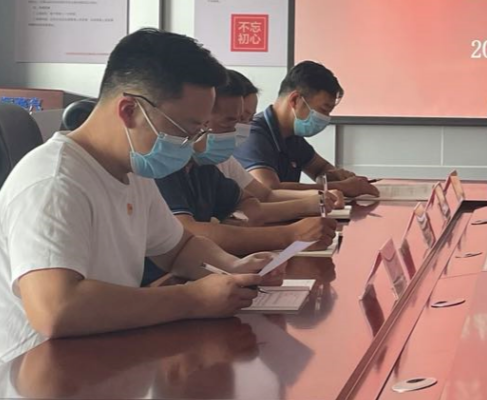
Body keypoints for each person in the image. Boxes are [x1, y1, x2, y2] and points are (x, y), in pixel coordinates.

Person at [0, 29, 281, 380]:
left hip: (101, 368)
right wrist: (193, 299)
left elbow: (180, 248)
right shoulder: (55, 182)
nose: (194, 144)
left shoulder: (132, 172)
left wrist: (234, 266)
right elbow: (56, 310)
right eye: (186, 130)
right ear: (130, 110)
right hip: (29, 394)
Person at [141, 75, 339, 285]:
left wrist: (236, 260)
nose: (239, 131)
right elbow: (188, 232)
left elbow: (250, 203)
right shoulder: (163, 166)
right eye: (230, 121)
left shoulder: (203, 165)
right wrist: (289, 234)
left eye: (244, 120)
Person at [207, 70, 337, 223]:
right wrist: (293, 231)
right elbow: (267, 191)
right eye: (234, 119)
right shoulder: (254, 136)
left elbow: (263, 197)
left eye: (248, 119)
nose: (243, 128)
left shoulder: (223, 161)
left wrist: (319, 198)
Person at [234, 61, 378, 197]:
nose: (326, 118)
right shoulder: (253, 134)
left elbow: (320, 168)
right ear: (295, 100)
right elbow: (269, 189)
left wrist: (335, 176)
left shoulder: (291, 136)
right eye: (323, 110)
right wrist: (341, 187)